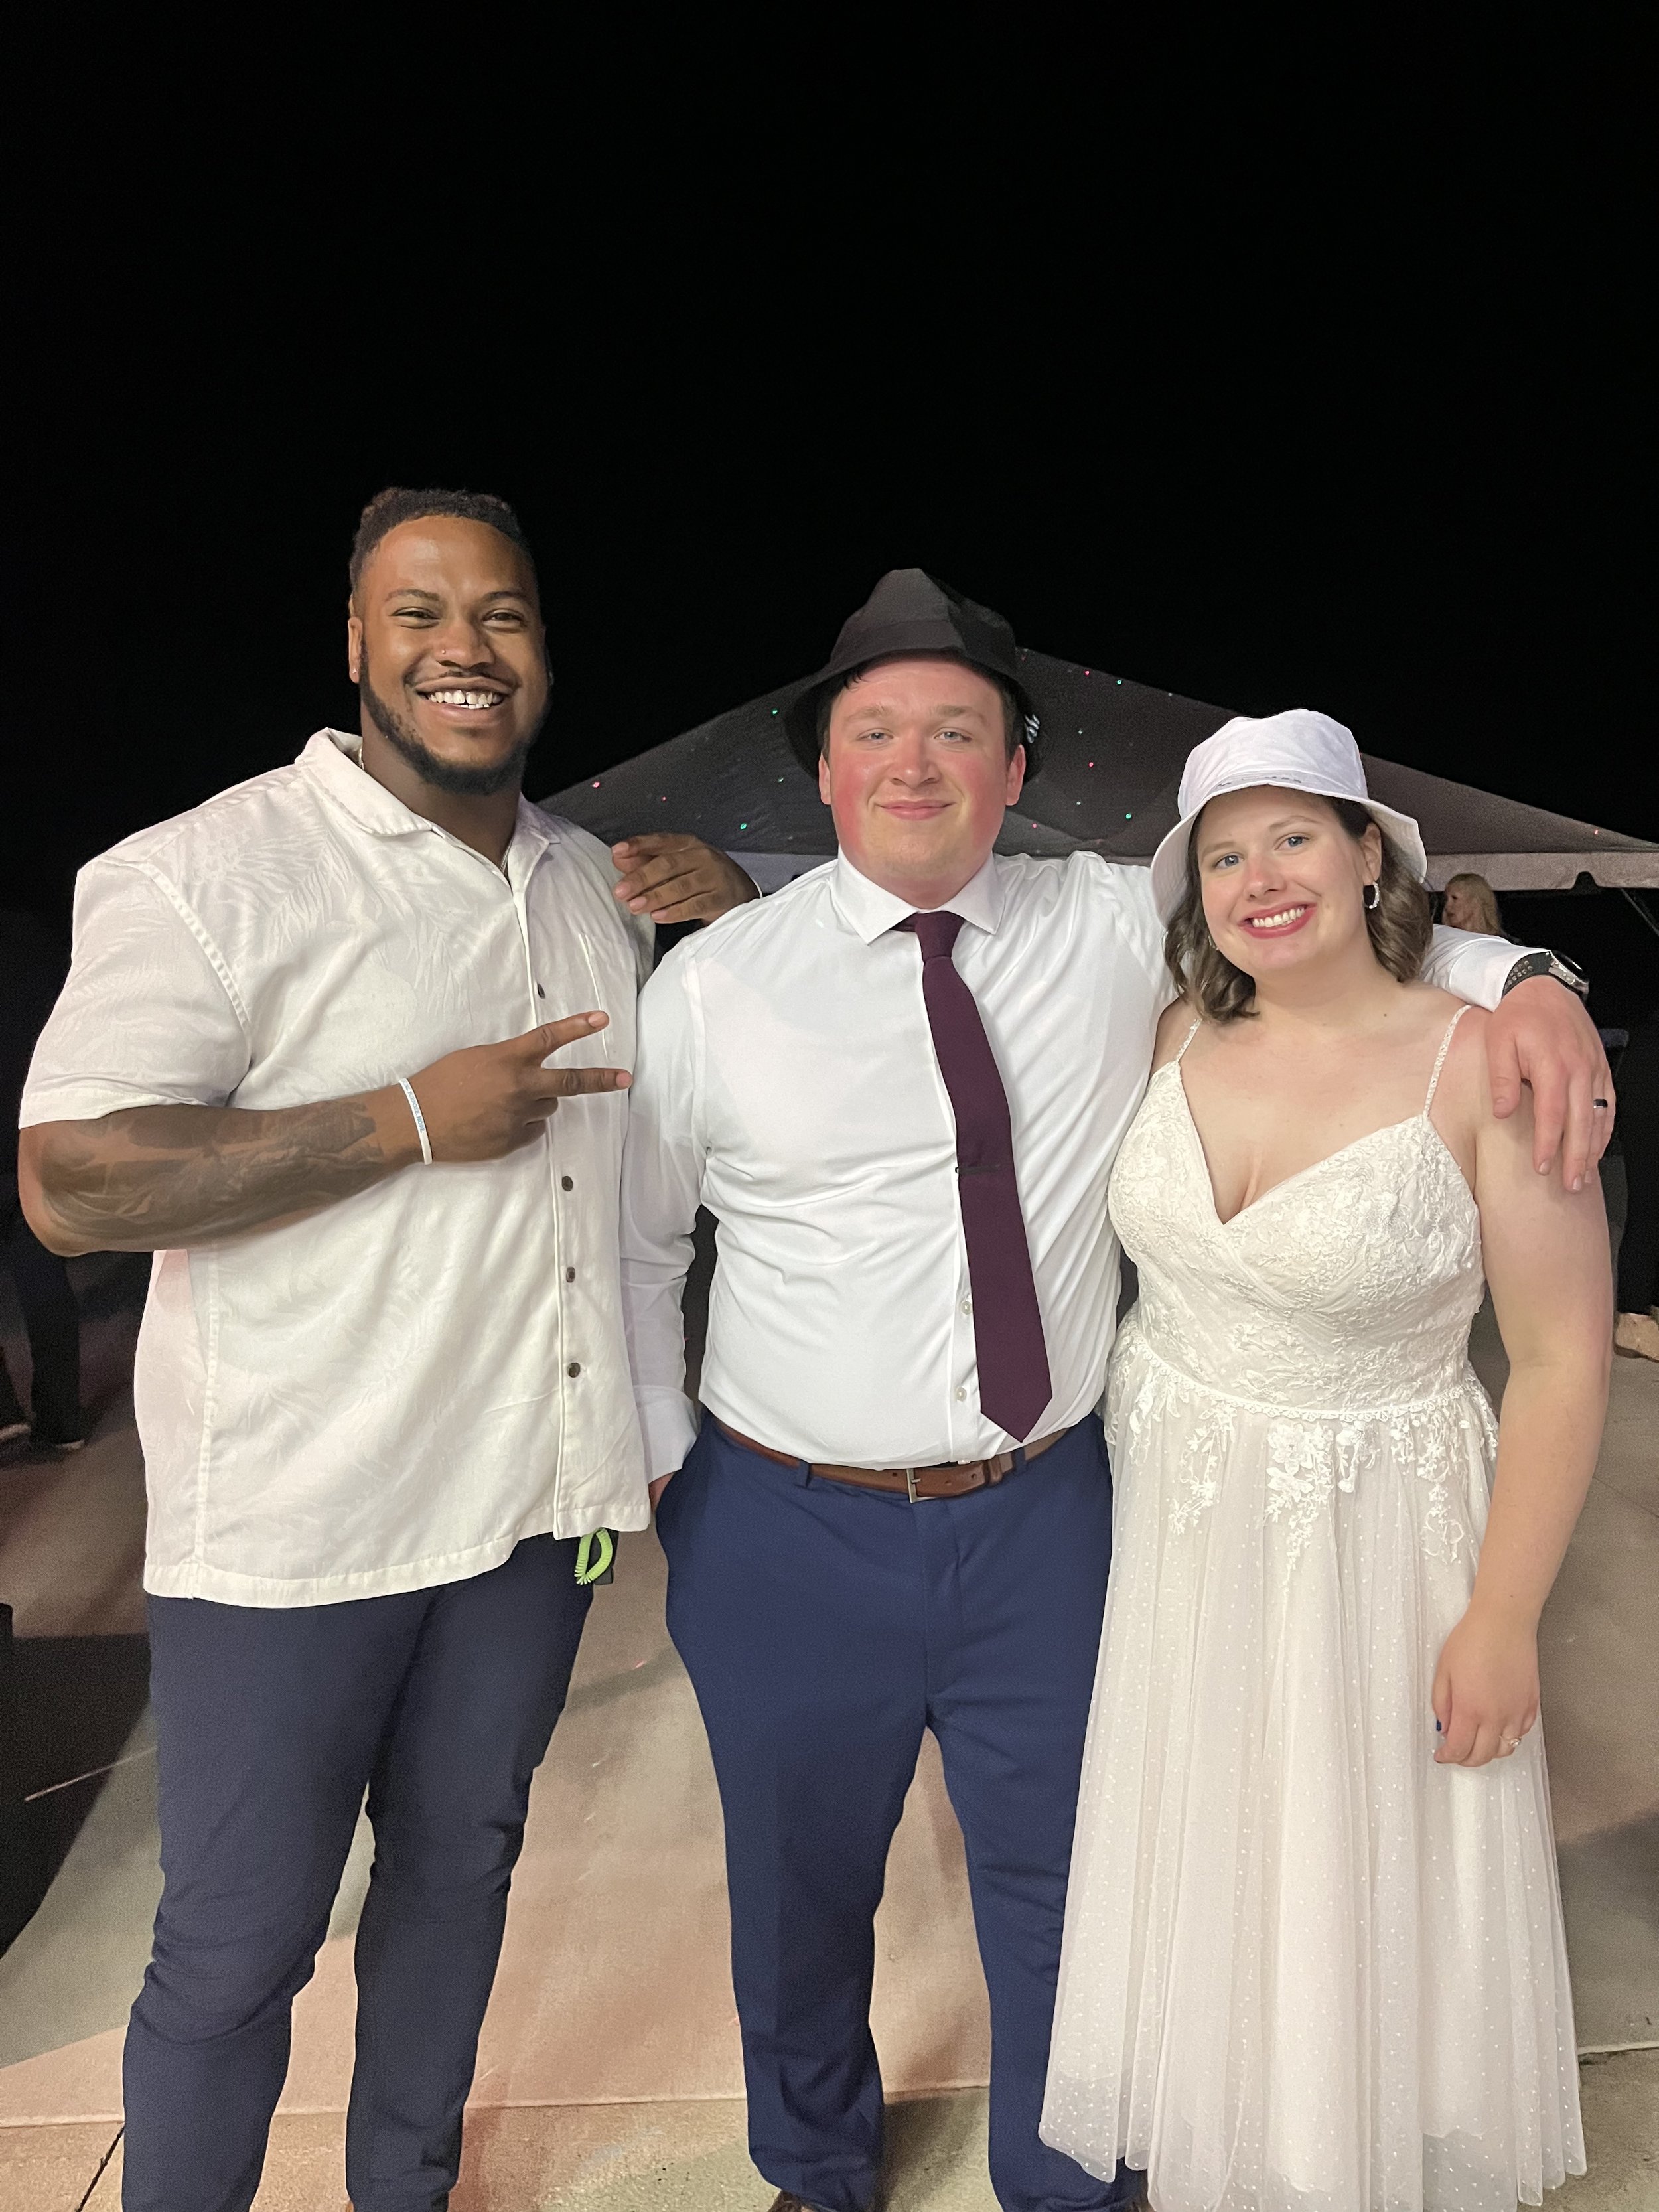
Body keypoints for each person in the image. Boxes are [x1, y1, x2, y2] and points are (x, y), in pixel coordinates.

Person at [616, 571, 1615, 2212]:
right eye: (877, 732)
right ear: (824, 771)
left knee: (1071, 1877)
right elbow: (644, 1241)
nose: (916, 763)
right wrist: (671, 1469)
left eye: (958, 732)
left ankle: (1068, 2177)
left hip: (1051, 1509)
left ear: (1015, 769)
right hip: (787, 1518)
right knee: (796, 1881)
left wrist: (1530, 978)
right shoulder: (715, 985)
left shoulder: (1100, 929)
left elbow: (1329, 932)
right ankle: (813, 2164)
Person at [17, 487, 757, 2212]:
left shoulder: (586, 883)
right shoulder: (210, 871)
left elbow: (637, 1180)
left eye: (501, 614)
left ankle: (402, 2189)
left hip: (524, 1517)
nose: (462, 647)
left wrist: (735, 914)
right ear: (355, 642)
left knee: (456, 1879)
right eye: (418, 611)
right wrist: (406, 1118)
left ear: (543, 651)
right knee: (239, 1943)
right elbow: (69, 1183)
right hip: (297, 1532)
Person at [1041, 715, 1611, 2211]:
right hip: (1179, 1534)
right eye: (1224, 855)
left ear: (1370, 855)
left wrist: (1502, 1616)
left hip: (1382, 1545)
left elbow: (1560, 1356)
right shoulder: (1171, 1030)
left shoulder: (1479, 1063)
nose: (1259, 879)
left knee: (1360, 1878)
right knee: (1215, 1871)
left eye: (1293, 836)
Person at [1, 911, 85, 1452]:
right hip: (29, 1130)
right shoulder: (28, 937)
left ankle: (3, 1413)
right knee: (43, 1277)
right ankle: (62, 1419)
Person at [1613, 1000, 1659, 1359]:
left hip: (1645, 1064)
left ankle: (1650, 1303)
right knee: (1650, 1199)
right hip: (1649, 1076)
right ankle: (1634, 1317)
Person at [1442, 869, 1505, 934]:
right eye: (1446, 899)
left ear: (1474, 902)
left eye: (1455, 898)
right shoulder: (1441, 937)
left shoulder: (1496, 940)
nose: (1447, 905)